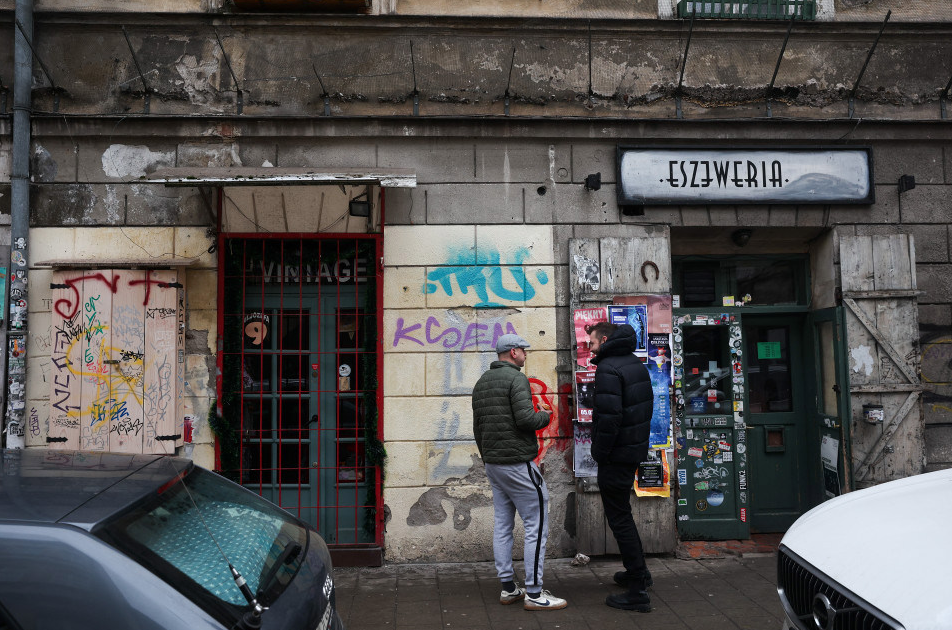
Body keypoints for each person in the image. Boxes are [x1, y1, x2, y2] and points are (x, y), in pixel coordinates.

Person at [472, 333, 568, 611]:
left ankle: (508, 588)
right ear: (513, 352)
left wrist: (488, 456)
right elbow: (526, 420)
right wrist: (546, 414)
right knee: (536, 525)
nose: (526, 355)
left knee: (503, 525)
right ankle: (536, 594)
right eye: (524, 351)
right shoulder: (517, 379)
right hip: (518, 463)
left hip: (493, 464)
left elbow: (478, 427)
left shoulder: (482, 383)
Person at [587, 321, 654, 612]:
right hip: (631, 451)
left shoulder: (608, 368)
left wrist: (599, 453)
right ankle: (639, 573)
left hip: (616, 455)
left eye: (591, 342)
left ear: (604, 339)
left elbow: (609, 417)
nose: (588, 347)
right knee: (623, 514)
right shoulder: (635, 364)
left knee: (620, 519)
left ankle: (638, 589)